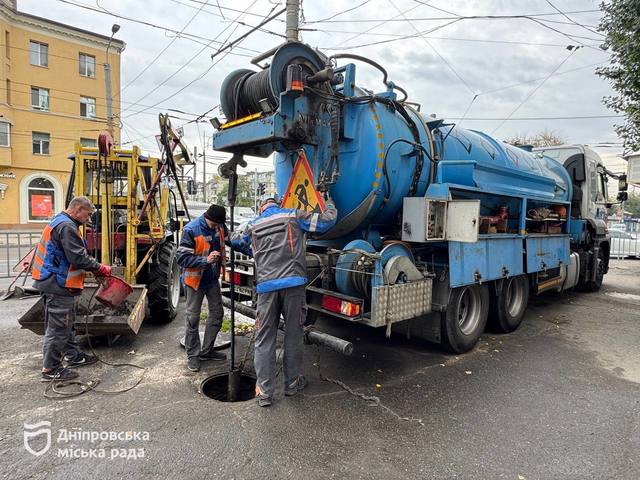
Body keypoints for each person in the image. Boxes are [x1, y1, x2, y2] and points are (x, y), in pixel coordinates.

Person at [232, 194, 337, 407]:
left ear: (261, 208)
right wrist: (329, 203)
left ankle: (265, 393)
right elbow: (326, 222)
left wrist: (255, 250)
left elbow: (235, 240)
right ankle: (291, 384)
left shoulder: (253, 225)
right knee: (293, 335)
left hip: (266, 288)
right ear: (279, 204)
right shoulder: (293, 216)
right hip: (293, 285)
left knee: (264, 338)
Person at [33, 196, 112, 382]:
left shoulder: (61, 221)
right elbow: (77, 258)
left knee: (66, 323)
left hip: (55, 281)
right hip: (56, 283)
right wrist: (100, 268)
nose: (89, 219)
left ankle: (73, 356)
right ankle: (50, 369)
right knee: (58, 327)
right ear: (78, 210)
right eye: (88, 214)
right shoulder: (67, 226)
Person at [177, 204, 228, 372]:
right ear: (207, 218)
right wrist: (205, 260)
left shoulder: (219, 227)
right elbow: (181, 258)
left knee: (217, 314)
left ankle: (207, 351)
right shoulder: (191, 230)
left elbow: (231, 239)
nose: (217, 228)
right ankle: (193, 355)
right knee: (193, 319)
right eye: (214, 224)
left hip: (212, 279)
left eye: (219, 225)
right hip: (195, 281)